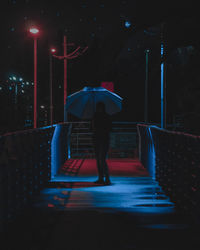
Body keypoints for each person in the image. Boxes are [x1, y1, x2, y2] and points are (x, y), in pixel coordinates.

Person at [91, 102, 112, 185]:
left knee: (101, 159)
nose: (99, 109)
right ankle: (101, 177)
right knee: (98, 159)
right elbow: (92, 128)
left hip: (102, 139)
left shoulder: (104, 116)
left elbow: (109, 128)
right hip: (98, 139)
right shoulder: (96, 116)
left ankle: (106, 178)